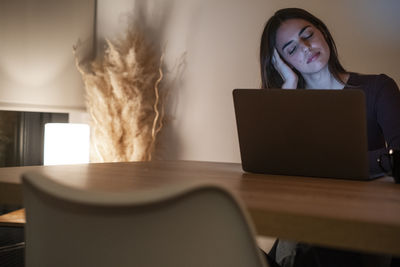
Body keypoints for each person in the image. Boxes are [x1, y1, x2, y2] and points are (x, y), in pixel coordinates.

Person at [259, 7, 400, 267]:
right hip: (303, 225)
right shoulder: (289, 106)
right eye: (290, 49)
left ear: (321, 31)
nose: (305, 47)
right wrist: (286, 97)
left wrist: (324, 166)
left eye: (307, 35)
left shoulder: (378, 88)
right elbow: (273, 174)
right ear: (283, 63)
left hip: (362, 225)